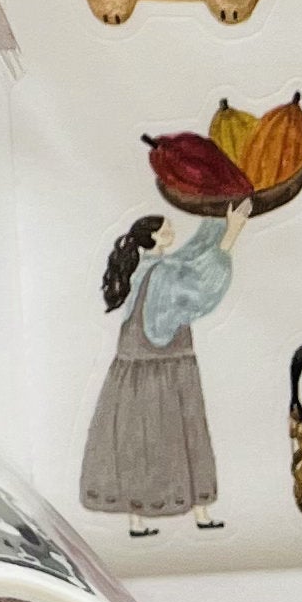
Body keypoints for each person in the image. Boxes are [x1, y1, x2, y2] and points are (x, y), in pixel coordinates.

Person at [80, 205, 242, 535]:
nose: (172, 234)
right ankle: (197, 513)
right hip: (164, 363)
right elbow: (199, 287)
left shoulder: (144, 267)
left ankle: (144, 519)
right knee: (180, 434)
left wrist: (216, 224)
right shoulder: (164, 273)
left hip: (138, 364)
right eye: (166, 230)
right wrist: (231, 235)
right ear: (153, 238)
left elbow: (188, 257)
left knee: (137, 438)